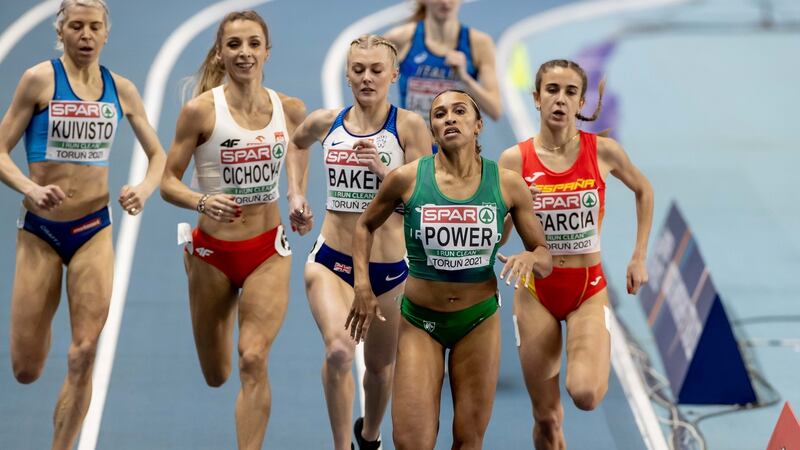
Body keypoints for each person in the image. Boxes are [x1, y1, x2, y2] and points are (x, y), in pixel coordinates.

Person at [0, 1, 166, 448]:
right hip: (41, 231)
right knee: (26, 368)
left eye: (94, 26)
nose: (86, 34)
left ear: (106, 34)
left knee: (85, 352)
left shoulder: (122, 89)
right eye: (76, 26)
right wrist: (29, 189)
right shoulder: (39, 79)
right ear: (62, 31)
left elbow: (158, 156)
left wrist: (144, 189)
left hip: (94, 230)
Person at [347, 89, 552, 450]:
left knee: (468, 441)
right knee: (411, 442)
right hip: (420, 321)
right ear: (433, 129)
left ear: (478, 125)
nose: (449, 118)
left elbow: (545, 256)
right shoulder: (407, 179)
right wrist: (362, 286)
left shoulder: (506, 184)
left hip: (478, 321)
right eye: (440, 114)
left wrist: (532, 258)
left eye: (459, 111)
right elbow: (364, 226)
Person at [159, 11, 305, 449]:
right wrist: (202, 201)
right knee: (217, 374)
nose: (245, 53)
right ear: (221, 53)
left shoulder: (290, 108)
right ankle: (193, 264)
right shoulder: (200, 111)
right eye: (235, 45)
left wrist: (296, 197)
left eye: (253, 44)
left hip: (267, 250)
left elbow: (298, 157)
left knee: (253, 358)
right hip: (212, 255)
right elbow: (167, 181)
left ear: (267, 51)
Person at [497, 59, 654, 449]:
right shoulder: (514, 161)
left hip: (587, 288)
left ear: (581, 101)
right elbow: (498, 231)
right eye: (552, 90)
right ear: (536, 98)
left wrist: (638, 255)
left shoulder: (603, 152)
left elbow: (644, 190)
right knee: (547, 419)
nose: (560, 100)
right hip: (536, 292)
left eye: (570, 92)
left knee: (585, 394)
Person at [285, 35, 431, 450]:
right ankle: (340, 446)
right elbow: (296, 144)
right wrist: (296, 195)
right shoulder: (326, 122)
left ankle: (368, 436)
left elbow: (425, 201)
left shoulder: (409, 128)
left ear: (393, 74)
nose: (366, 78)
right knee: (339, 352)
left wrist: (387, 174)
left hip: (389, 271)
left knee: (381, 369)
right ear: (347, 73)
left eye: (376, 70)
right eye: (358, 69)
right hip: (333, 261)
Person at [384, 0, 501, 121]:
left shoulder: (479, 43)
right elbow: (371, 85)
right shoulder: (400, 38)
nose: (445, 2)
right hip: (413, 138)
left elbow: (495, 110)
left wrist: (465, 80)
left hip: (456, 138)